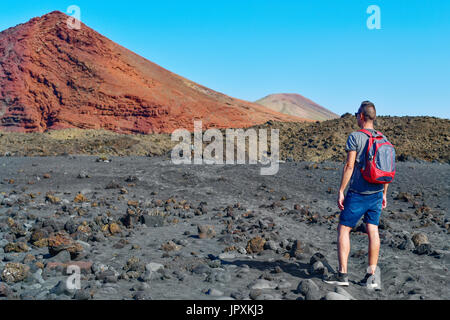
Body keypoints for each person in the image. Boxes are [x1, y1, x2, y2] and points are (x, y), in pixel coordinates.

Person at [324, 101, 388, 289]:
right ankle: (371, 277)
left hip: (358, 193)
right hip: (377, 192)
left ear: (361, 116)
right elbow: (386, 170)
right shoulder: (384, 139)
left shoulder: (355, 137)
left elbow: (349, 166)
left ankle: (342, 275)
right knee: (373, 231)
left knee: (344, 229)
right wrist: (384, 193)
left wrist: (341, 190)